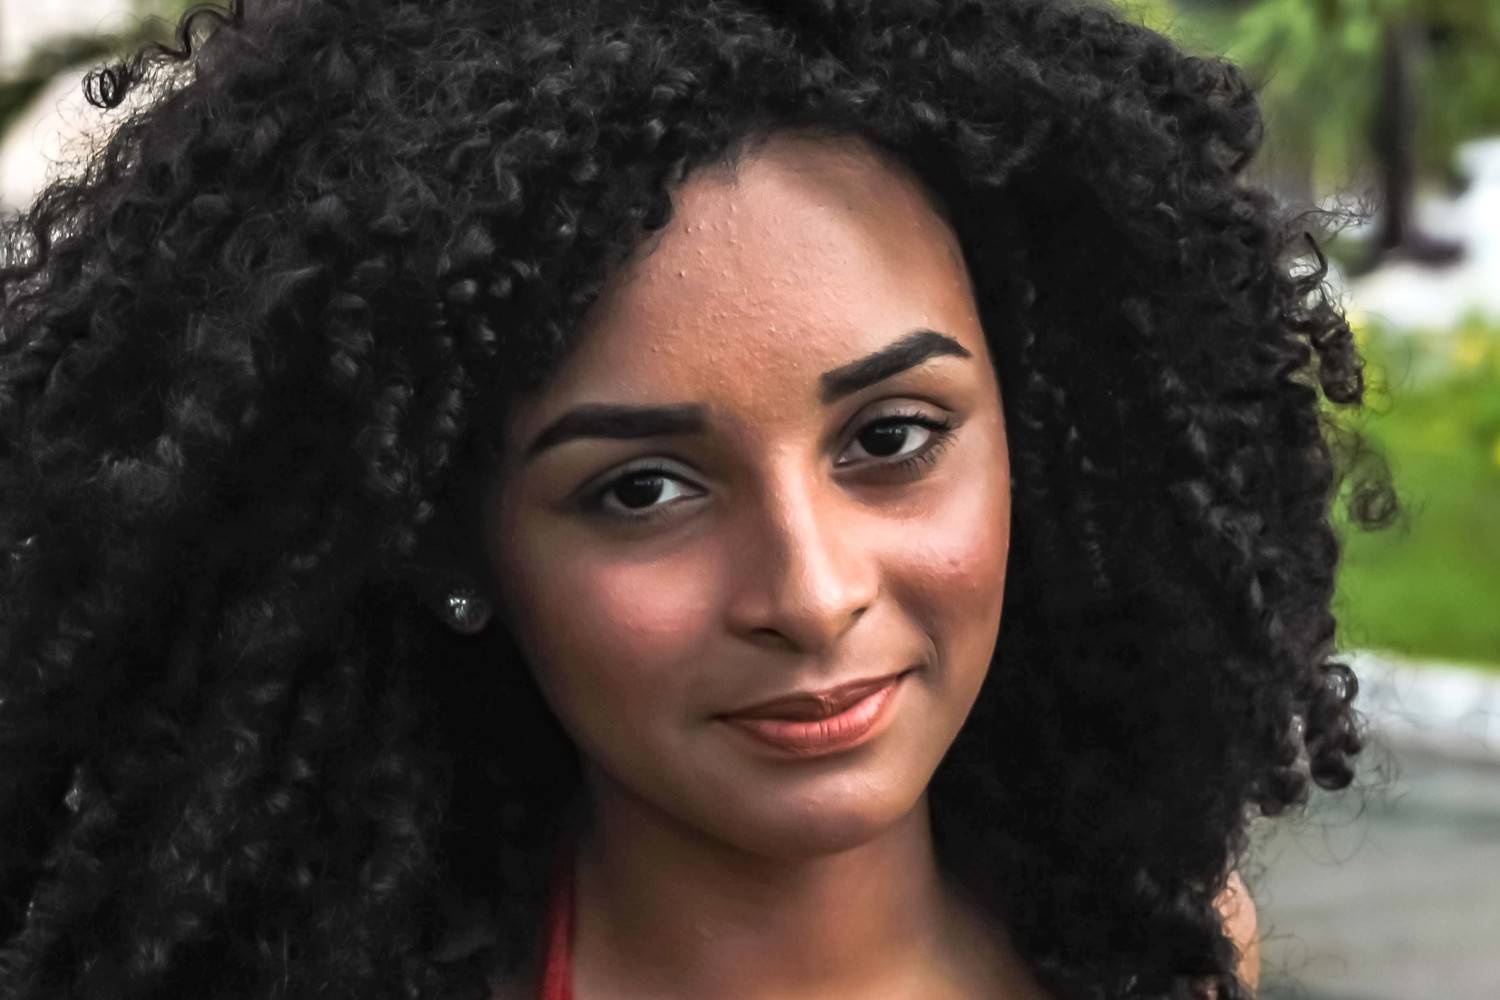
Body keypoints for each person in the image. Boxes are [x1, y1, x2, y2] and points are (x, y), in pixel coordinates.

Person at [0, 0, 1392, 998]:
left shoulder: (1156, 942)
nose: (811, 593)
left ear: (1041, 436)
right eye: (642, 489)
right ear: (449, 545)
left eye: (892, 438)